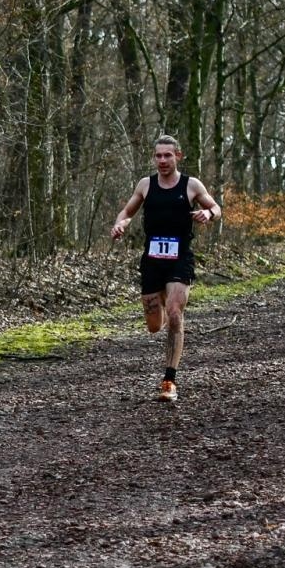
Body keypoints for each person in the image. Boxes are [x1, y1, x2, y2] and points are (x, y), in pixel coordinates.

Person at [110, 134, 222, 402]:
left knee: (174, 313)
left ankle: (169, 381)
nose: (162, 160)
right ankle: (162, 306)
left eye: (167, 155)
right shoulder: (146, 185)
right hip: (152, 260)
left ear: (177, 156)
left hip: (180, 257)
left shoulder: (191, 185)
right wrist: (120, 224)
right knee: (153, 325)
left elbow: (216, 207)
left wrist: (208, 214)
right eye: (158, 155)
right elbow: (127, 212)